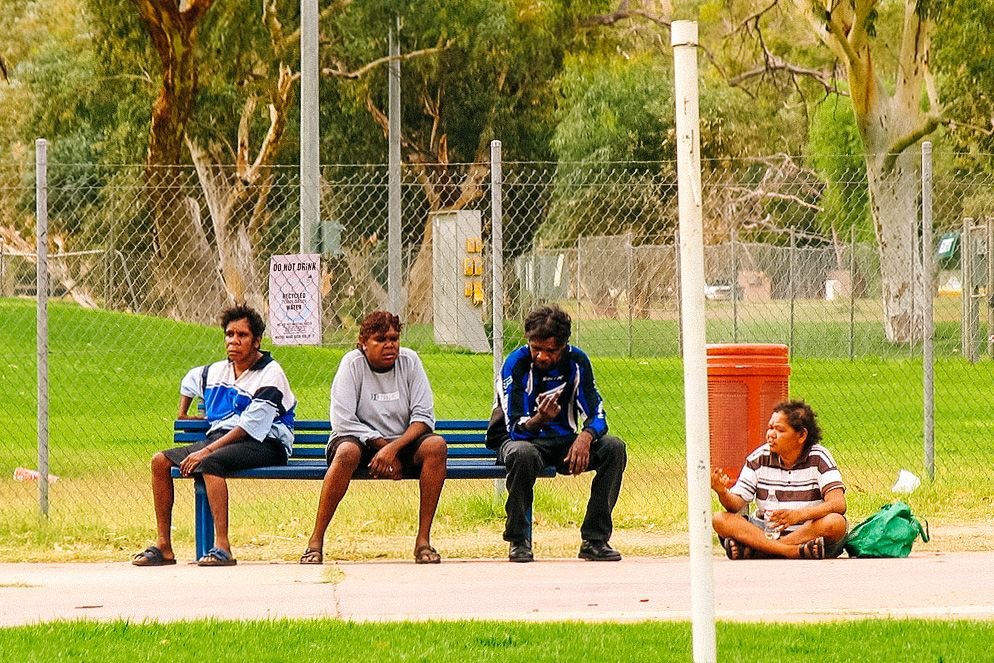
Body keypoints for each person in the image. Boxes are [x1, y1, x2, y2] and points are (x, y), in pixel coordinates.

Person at [132, 305, 297, 567]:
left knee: (211, 463)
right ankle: (164, 547)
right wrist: (183, 412)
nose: (233, 341)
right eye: (229, 334)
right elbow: (189, 380)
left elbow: (249, 429)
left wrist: (206, 451)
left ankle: (222, 547)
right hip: (221, 438)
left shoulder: (271, 374)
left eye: (241, 335)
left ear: (256, 341)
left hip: (267, 442)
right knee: (159, 462)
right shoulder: (216, 371)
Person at [299, 311, 447, 565]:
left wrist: (393, 449)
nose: (390, 345)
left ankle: (423, 541)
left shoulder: (410, 361)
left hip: (402, 444)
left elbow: (423, 418)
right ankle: (315, 541)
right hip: (359, 441)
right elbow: (343, 420)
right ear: (363, 342)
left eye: (394, 338)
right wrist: (382, 447)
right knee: (346, 453)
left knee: (436, 445)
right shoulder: (352, 364)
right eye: (381, 339)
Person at [487, 305, 627, 562]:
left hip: (562, 441)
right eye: (535, 348)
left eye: (549, 351)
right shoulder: (515, 365)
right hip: (519, 440)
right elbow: (514, 428)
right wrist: (540, 419)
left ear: (563, 346)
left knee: (613, 448)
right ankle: (519, 540)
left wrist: (585, 438)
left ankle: (594, 540)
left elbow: (597, 413)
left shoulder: (577, 362)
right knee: (523, 454)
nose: (541, 356)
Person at [710, 399, 848, 560]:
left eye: (780, 430)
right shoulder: (759, 458)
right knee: (720, 519)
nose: (771, 435)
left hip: (807, 530)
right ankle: (791, 551)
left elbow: (838, 504)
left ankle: (761, 550)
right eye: (770, 428)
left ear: (802, 435)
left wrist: (798, 515)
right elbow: (736, 505)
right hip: (765, 530)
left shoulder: (819, 458)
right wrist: (722, 491)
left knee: (835, 522)